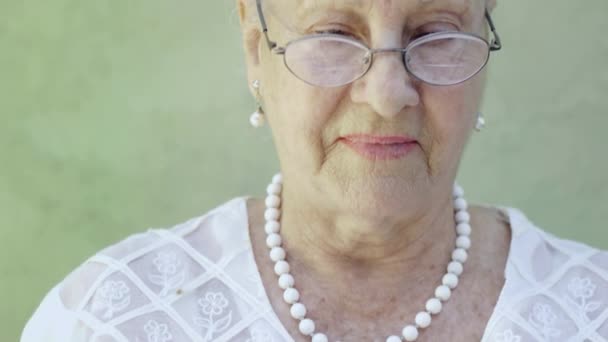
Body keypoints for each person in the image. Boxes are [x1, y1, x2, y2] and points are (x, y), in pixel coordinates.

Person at [21, 0, 608, 341]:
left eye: (434, 33)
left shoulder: (592, 314)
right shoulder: (112, 320)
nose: (386, 93)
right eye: (333, 33)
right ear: (256, 47)